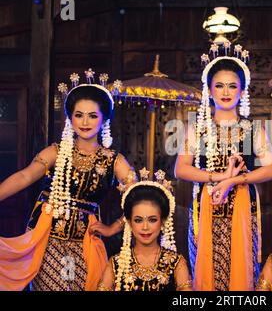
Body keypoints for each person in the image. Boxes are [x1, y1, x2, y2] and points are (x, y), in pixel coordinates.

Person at [0, 72, 136, 291]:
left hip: (87, 244)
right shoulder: (56, 152)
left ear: (104, 119)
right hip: (48, 241)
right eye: (78, 114)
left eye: (92, 115)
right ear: (70, 118)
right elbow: (25, 176)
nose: (84, 122)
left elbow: (138, 198)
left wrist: (114, 227)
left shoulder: (114, 161)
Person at [174, 44, 272, 291]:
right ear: (209, 91)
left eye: (232, 86)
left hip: (244, 210)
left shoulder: (253, 129)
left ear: (242, 91)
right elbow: (181, 169)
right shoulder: (197, 128)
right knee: (206, 269)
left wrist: (235, 180)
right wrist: (220, 176)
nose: (226, 92)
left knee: (243, 270)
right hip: (205, 210)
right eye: (219, 86)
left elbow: (271, 169)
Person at [97, 170, 192, 291]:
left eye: (152, 220)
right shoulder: (117, 264)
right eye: (138, 220)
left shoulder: (176, 263)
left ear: (162, 221)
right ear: (129, 222)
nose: (145, 227)